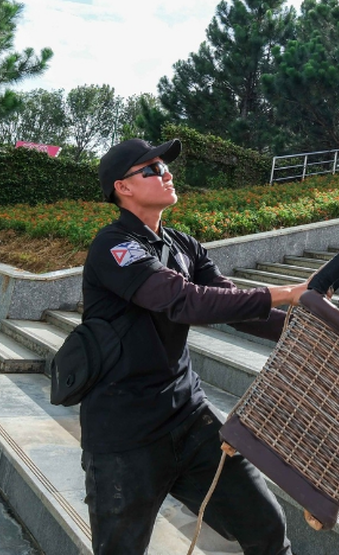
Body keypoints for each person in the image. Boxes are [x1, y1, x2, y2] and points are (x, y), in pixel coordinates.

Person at [81, 138, 306, 555]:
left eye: (165, 166)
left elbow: (236, 308)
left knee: (267, 528)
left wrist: (312, 325)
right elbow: (184, 301)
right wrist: (288, 291)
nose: (166, 173)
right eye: (150, 169)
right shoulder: (114, 246)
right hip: (124, 433)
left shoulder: (185, 245)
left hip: (188, 417)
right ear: (122, 188)